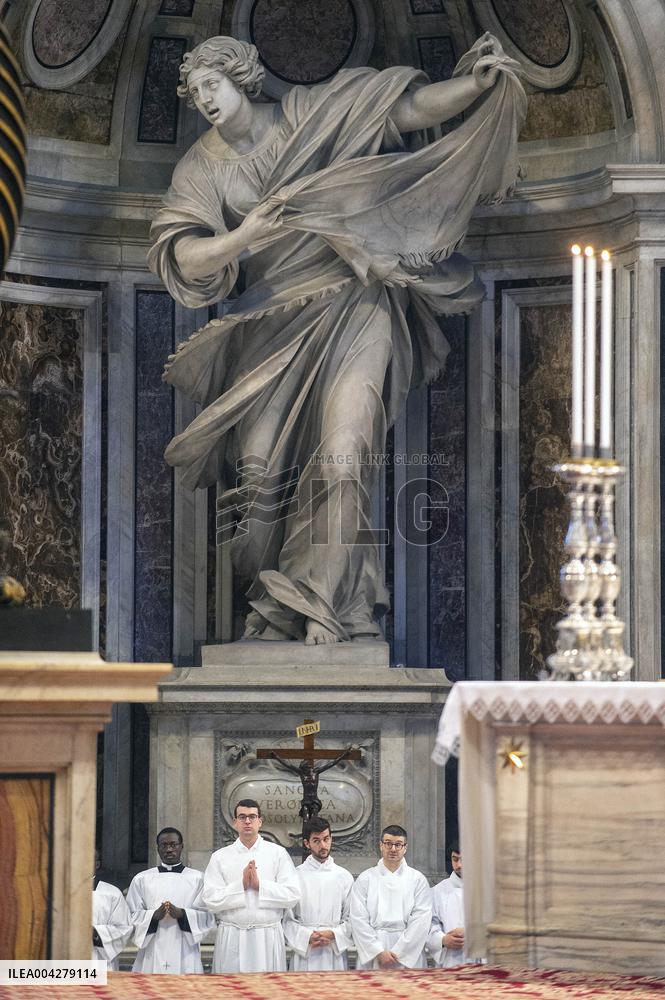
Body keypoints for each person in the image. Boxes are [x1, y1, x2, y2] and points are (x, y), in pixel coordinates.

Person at [149, 34, 525, 647]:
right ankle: (276, 609)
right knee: (258, 475)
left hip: (356, 302)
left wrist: (475, 85)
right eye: (194, 95)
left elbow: (404, 109)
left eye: (210, 85)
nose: (204, 101)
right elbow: (184, 256)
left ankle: (327, 604)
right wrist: (246, 237)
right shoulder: (200, 167)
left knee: (346, 457)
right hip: (267, 324)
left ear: (241, 76)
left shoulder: (310, 112)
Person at [201, 799, 300, 972]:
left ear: (260, 821)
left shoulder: (277, 853)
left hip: (267, 936)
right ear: (235, 822)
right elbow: (210, 900)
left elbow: (292, 895)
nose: (247, 821)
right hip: (232, 937)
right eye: (242, 817)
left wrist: (259, 885)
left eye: (252, 817)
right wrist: (241, 886)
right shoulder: (220, 857)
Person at [126, 827, 214, 973]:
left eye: (173, 845)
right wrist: (152, 916)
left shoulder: (198, 878)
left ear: (181, 846)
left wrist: (182, 914)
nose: (169, 849)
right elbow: (129, 915)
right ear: (158, 848)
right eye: (164, 845)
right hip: (152, 949)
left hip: (186, 949)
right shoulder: (142, 879)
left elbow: (208, 916)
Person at [350, 824, 431, 970]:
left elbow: (421, 920)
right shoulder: (365, 878)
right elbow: (358, 919)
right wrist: (377, 951)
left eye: (398, 845)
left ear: (405, 848)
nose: (393, 849)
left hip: (408, 951)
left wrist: (399, 952)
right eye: (388, 844)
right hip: (375, 949)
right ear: (381, 845)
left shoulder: (417, 879)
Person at [282, 816, 354, 970]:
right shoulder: (295, 876)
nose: (323, 845)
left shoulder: (344, 876)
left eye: (326, 839)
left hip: (333, 951)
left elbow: (352, 918)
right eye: (316, 840)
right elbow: (287, 919)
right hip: (306, 951)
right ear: (307, 843)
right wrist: (307, 936)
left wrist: (333, 934)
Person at [427, 843, 473, 968]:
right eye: (455, 859)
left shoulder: (485, 889)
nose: (459, 865)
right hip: (450, 960)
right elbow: (429, 924)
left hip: (479, 958)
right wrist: (442, 939)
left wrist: (472, 933)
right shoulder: (437, 891)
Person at [92, 849, 132, 970]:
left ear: (97, 864)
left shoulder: (112, 893)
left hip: (100, 962)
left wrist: (95, 933)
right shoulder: (61, 893)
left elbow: (124, 929)